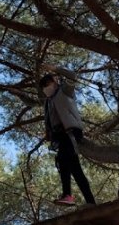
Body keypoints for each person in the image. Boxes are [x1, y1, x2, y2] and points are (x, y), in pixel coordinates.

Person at [40, 64, 96, 206]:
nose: (47, 87)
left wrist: (55, 69)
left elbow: (72, 76)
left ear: (55, 82)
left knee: (63, 161)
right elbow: (50, 120)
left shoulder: (64, 91)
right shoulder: (48, 102)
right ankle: (90, 202)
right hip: (60, 136)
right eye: (44, 86)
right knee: (74, 169)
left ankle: (68, 195)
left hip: (69, 132)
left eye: (49, 83)